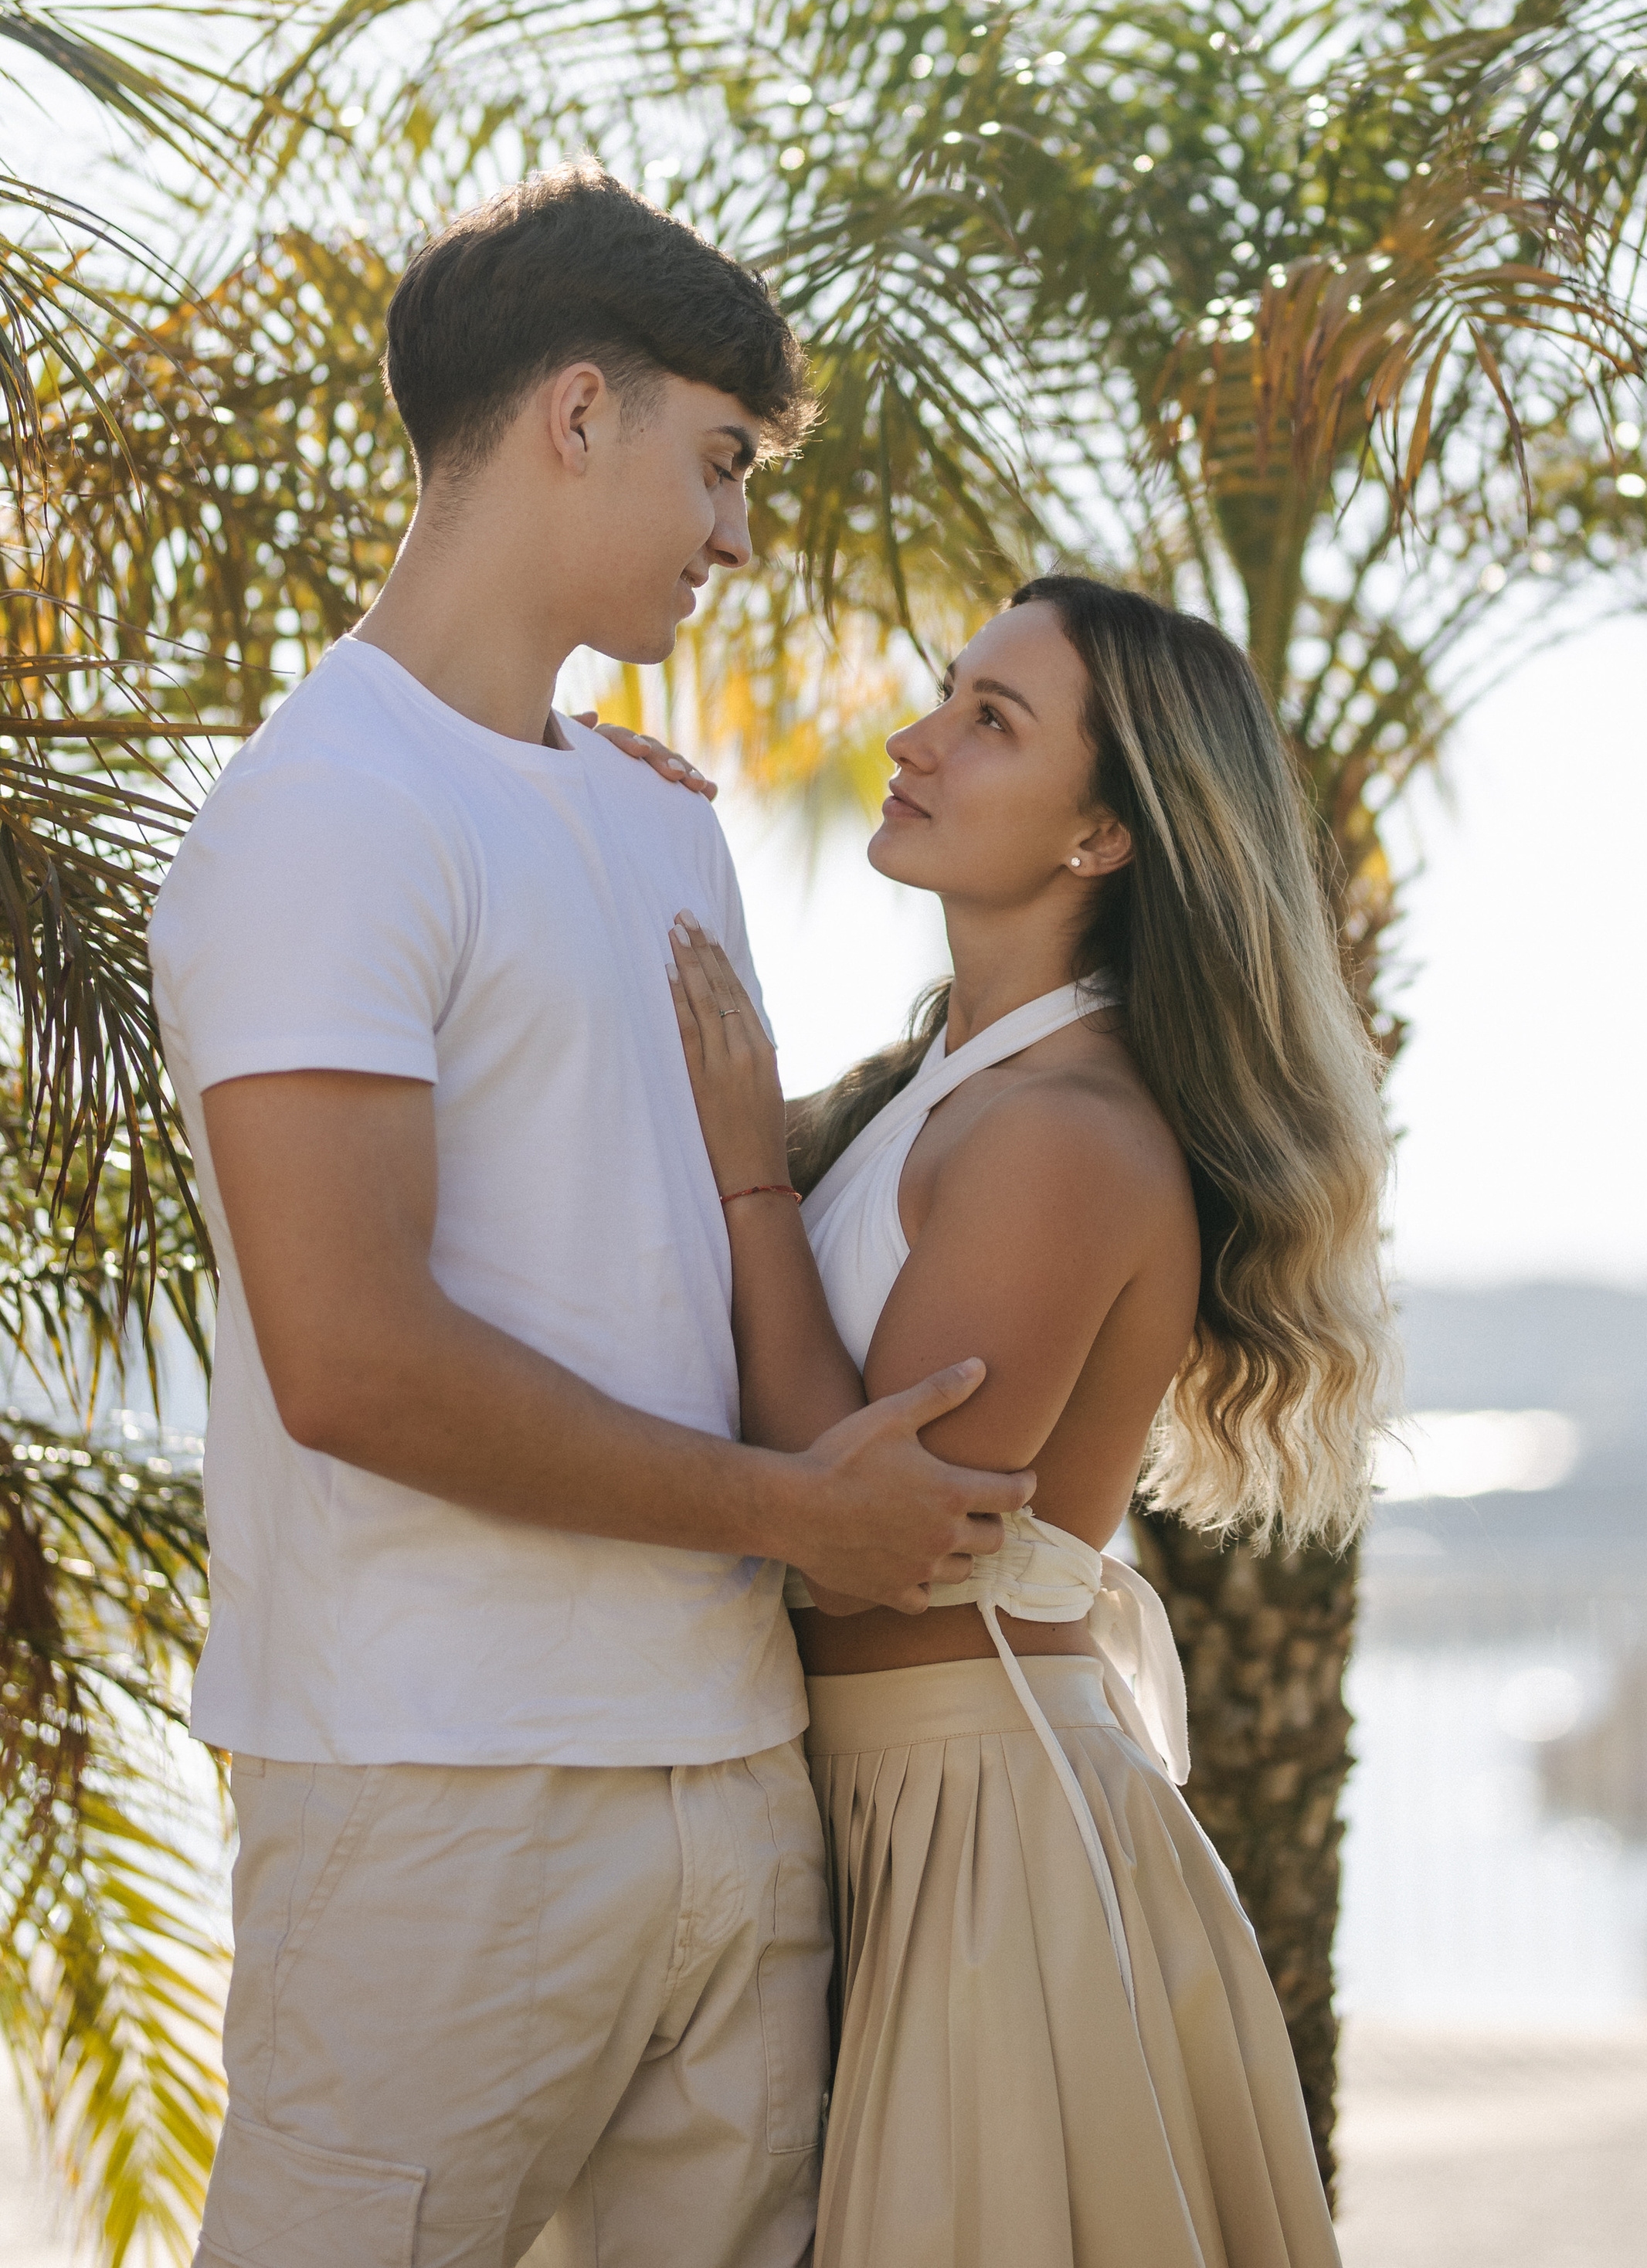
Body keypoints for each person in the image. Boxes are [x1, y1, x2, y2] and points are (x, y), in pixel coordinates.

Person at [148, 160, 1034, 2268]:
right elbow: (352, 1358)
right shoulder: (323, 815)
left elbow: (688, 1243)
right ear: (575, 412)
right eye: (719, 465)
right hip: (445, 1797)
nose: (740, 535)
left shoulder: (656, 827)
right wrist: (791, 1512)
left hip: (731, 1785)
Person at [657, 572, 1394, 2268]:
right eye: (944, 694)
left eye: (992, 722)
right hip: (856, 1805)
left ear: (1104, 839)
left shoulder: (1063, 1130)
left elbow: (863, 1552)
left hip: (973, 1841)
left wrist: (750, 1178)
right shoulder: (935, 1091)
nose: (915, 741)